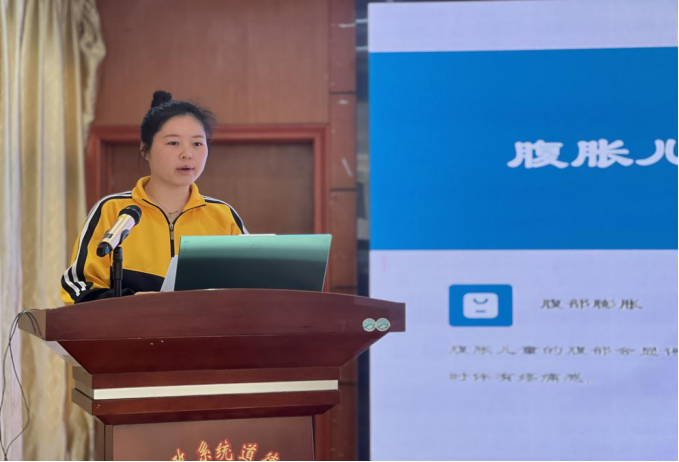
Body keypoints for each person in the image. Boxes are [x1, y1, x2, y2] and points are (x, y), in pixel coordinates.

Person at [60, 91, 246, 304]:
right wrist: (135, 302)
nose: (187, 154)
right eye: (173, 143)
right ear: (145, 149)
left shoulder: (223, 216)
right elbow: (78, 289)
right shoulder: (113, 210)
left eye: (197, 143)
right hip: (130, 325)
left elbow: (250, 288)